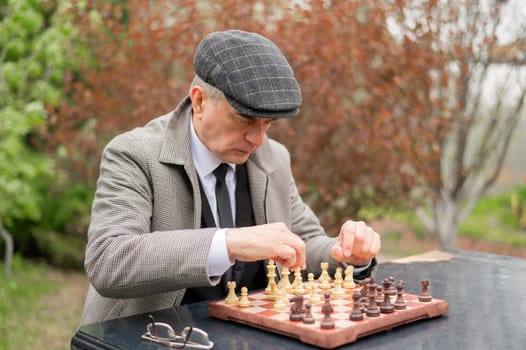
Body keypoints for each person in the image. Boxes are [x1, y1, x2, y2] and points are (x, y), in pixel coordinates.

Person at [79, 29, 381, 326]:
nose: (258, 140)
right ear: (199, 101)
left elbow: (304, 243)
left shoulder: (273, 158)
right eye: (245, 119)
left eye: (268, 123)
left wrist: (345, 253)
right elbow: (109, 261)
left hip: (244, 334)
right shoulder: (133, 153)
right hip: (146, 336)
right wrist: (228, 242)